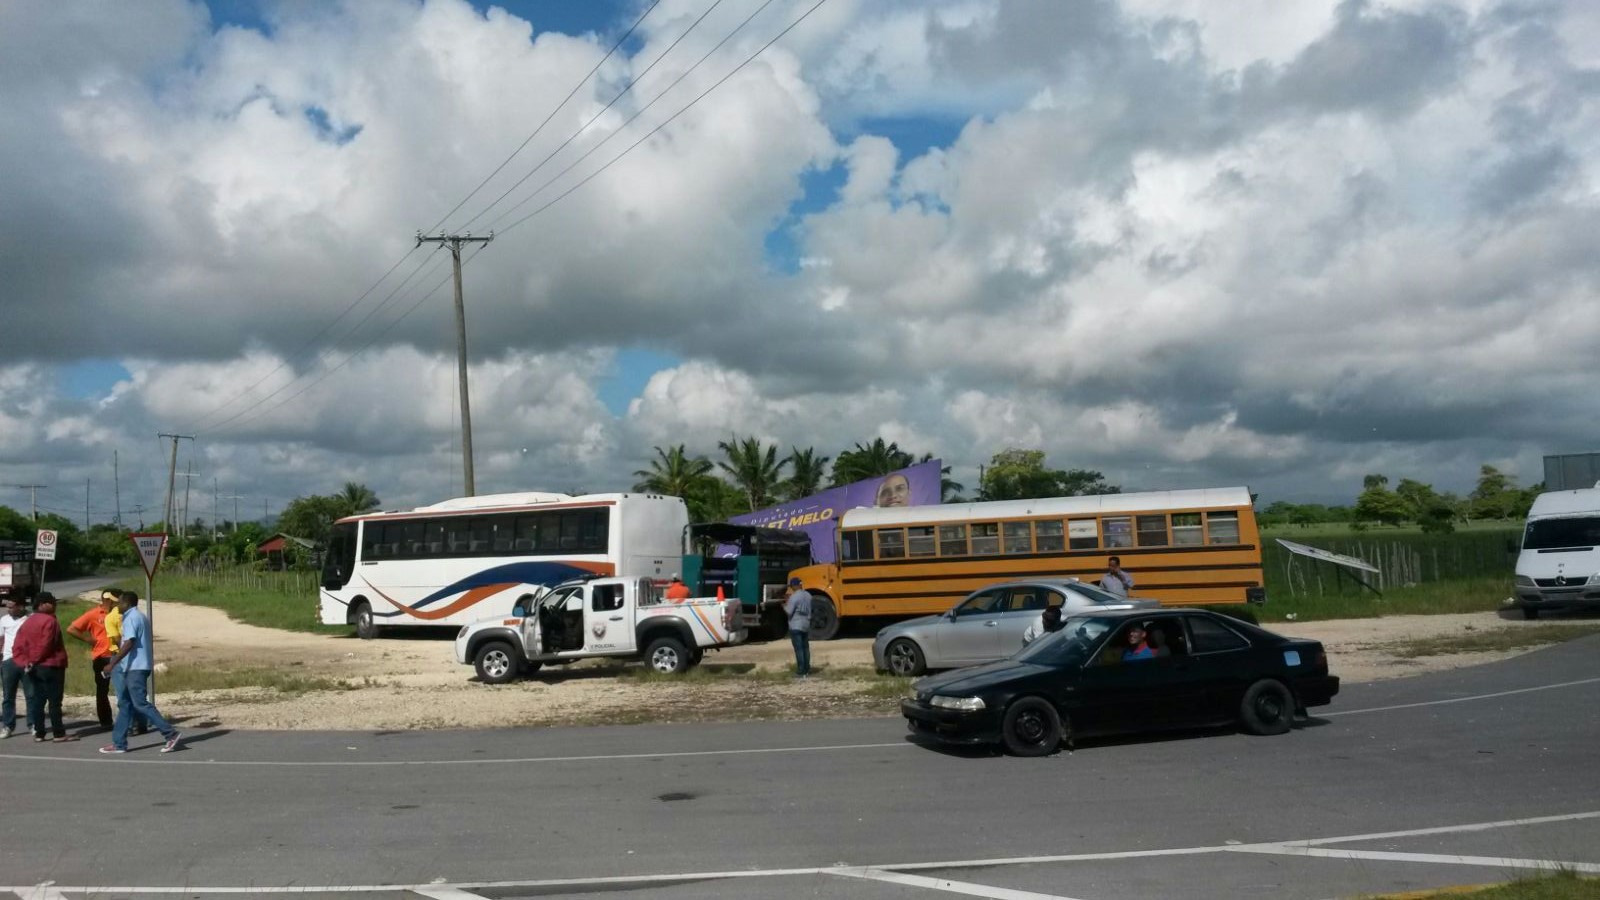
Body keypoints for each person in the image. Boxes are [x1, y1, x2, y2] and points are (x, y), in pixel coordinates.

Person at [100, 591, 181, 755]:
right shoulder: (139, 616)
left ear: (127, 603)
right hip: (133, 666)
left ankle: (170, 734)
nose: (117, 606)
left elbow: (129, 642)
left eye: (120, 603)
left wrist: (112, 663)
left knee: (139, 703)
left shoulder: (131, 618)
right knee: (126, 704)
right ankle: (119, 743)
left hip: (136, 667)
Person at [12, 592, 74, 742]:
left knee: (38, 701)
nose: (54, 605)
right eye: (51, 602)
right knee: (54, 701)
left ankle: (39, 733)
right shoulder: (50, 621)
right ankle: (58, 733)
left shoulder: (27, 622)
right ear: (41, 605)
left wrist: (25, 662)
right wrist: (34, 659)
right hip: (52, 665)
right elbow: (46, 644)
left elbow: (18, 646)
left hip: (35, 667)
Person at [67, 590, 116, 729]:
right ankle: (106, 721)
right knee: (102, 690)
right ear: (107, 600)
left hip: (118, 656)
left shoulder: (119, 614)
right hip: (102, 657)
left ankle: (129, 720)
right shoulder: (94, 614)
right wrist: (89, 639)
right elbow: (72, 629)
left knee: (123, 689)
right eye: (114, 599)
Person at [104, 590, 148, 736]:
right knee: (136, 696)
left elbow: (120, 640)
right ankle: (140, 724)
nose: (113, 604)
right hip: (135, 659)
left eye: (115, 601)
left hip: (120, 657)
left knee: (123, 695)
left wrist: (114, 662)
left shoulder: (116, 617)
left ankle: (128, 727)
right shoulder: (138, 615)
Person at [0, 596, 35, 738]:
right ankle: (8, 726)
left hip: (27, 661)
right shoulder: (4, 620)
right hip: (9, 660)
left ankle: (33, 725)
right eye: (7, 606)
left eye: (11, 606)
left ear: (20, 606)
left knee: (31, 695)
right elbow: (1, 639)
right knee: (8, 696)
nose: (8, 609)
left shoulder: (30, 618)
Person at [783, 577, 812, 677]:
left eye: (791, 586)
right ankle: (807, 669)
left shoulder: (794, 597)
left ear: (794, 586)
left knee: (798, 649)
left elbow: (789, 612)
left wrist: (784, 605)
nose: (791, 588)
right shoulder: (808, 595)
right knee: (805, 648)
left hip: (796, 624)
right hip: (806, 624)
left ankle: (801, 670)